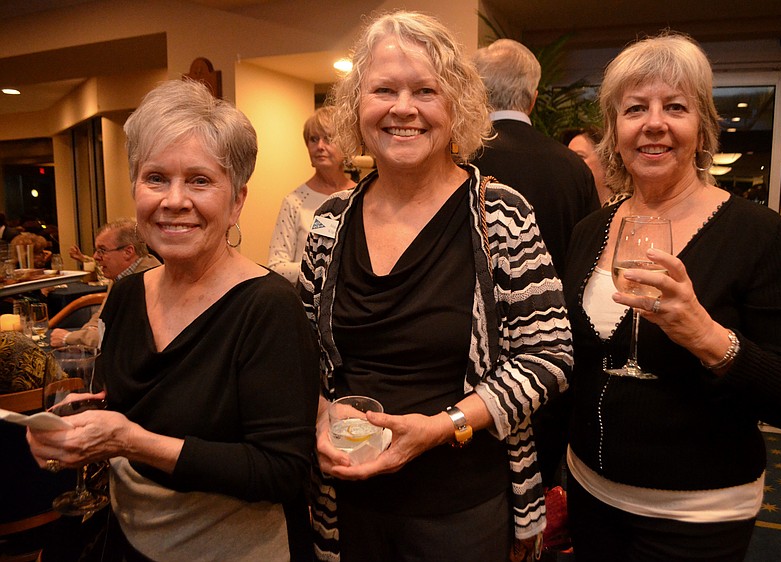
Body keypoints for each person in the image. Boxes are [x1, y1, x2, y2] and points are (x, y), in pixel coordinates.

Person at [301, 11, 572, 562]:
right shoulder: (329, 225)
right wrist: (318, 419)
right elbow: (299, 356)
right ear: (358, 106)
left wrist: (442, 426)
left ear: (457, 106)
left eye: (425, 90)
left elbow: (551, 356)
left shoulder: (500, 215)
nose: (403, 108)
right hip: (350, 502)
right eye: (383, 89)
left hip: (460, 507)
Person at [561, 32, 781, 561]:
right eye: (635, 108)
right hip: (590, 495)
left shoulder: (758, 233)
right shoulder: (591, 230)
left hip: (696, 515)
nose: (654, 123)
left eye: (675, 107)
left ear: (701, 128)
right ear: (614, 131)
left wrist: (707, 338)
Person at [27, 79, 320, 561]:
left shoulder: (268, 308)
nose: (174, 200)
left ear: (237, 201)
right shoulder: (124, 295)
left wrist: (132, 441)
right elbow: (114, 408)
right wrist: (72, 435)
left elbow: (281, 471)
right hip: (127, 540)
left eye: (200, 181)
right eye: (156, 178)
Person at [470, 38, 599, 282]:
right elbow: (589, 256)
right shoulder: (574, 166)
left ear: (478, 96)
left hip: (474, 314)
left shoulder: (458, 160)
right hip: (555, 312)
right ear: (533, 100)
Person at [268, 107, 355, 284]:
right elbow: (276, 266)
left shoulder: (361, 196)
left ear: (345, 144)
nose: (320, 146)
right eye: (313, 139)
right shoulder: (295, 201)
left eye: (328, 139)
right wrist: (322, 267)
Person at [49, 219, 160, 349]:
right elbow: (101, 316)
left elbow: (120, 339)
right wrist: (89, 330)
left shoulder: (147, 281)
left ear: (128, 252)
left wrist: (69, 338)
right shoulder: (120, 276)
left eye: (102, 250)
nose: (95, 256)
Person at [567, 126, 614, 206]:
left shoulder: (624, 211)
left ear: (607, 162)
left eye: (579, 157)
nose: (570, 165)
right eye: (568, 160)